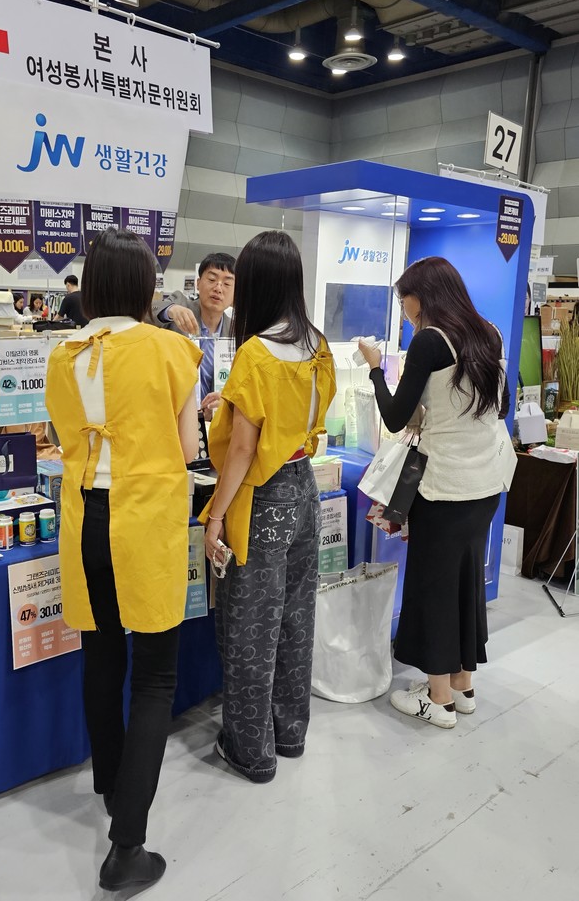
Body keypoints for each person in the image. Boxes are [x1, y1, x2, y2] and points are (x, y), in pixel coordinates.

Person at [45, 229, 201, 892]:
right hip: (144, 521)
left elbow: (62, 436)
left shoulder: (62, 355)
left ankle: (112, 784)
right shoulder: (172, 350)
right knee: (156, 676)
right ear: (143, 287)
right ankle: (127, 845)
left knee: (101, 659)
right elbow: (188, 446)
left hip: (85, 518)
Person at [199, 231, 336, 783]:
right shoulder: (317, 343)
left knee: (250, 625)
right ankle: (289, 732)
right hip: (305, 489)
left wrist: (215, 516)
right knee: (296, 618)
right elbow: (296, 416)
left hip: (262, 497)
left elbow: (243, 450)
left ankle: (250, 750)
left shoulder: (256, 352)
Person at [357, 256, 509, 730]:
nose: (404, 309)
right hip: (486, 483)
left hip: (444, 486)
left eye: (404, 299)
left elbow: (394, 417)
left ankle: (438, 700)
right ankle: (463, 686)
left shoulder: (429, 341)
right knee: (466, 582)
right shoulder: (489, 333)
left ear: (420, 297)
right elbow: (499, 405)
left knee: (434, 588)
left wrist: (376, 369)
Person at [157, 252, 235, 420]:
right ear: (198, 283)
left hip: (213, 422)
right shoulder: (180, 303)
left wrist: (225, 403)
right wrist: (169, 310)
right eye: (212, 280)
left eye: (227, 283)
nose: (218, 288)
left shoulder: (236, 332)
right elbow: (148, 311)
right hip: (173, 415)